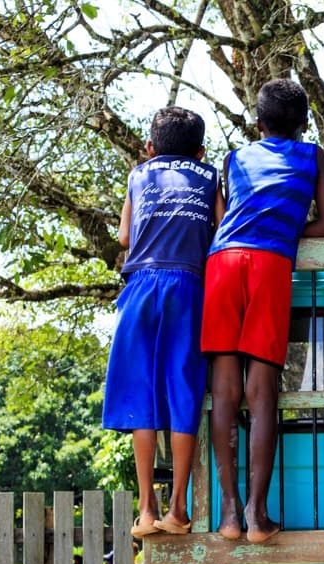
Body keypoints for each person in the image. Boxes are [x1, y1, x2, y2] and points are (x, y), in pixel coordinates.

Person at [202, 78, 324, 543]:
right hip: (270, 264)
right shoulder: (312, 155)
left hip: (222, 261)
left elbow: (226, 217)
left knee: (224, 392)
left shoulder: (233, 158)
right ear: (304, 123)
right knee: (262, 394)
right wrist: (289, 233)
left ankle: (229, 514)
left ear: (258, 123)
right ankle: (259, 516)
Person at [102, 107, 217, 538]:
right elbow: (221, 226)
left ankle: (146, 510)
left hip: (142, 287)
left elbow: (125, 237)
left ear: (150, 148)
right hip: (188, 287)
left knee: (140, 398)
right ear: (201, 151)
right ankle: (179, 509)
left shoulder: (139, 175)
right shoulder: (208, 177)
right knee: (183, 393)